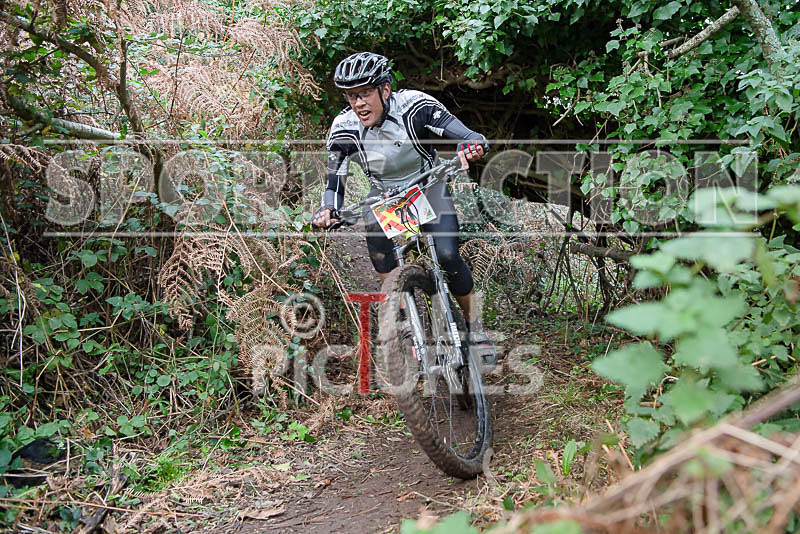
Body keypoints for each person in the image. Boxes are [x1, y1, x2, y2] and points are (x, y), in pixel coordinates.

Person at [312, 51, 495, 366]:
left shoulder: (415, 107)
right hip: (386, 199)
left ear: (385, 89)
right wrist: (328, 209)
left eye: (366, 93)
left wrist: (472, 143)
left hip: (428, 187)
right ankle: (405, 327)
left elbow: (463, 133)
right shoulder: (343, 128)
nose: (359, 103)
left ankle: (474, 326)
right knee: (386, 268)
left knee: (449, 257)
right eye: (352, 96)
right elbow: (334, 184)